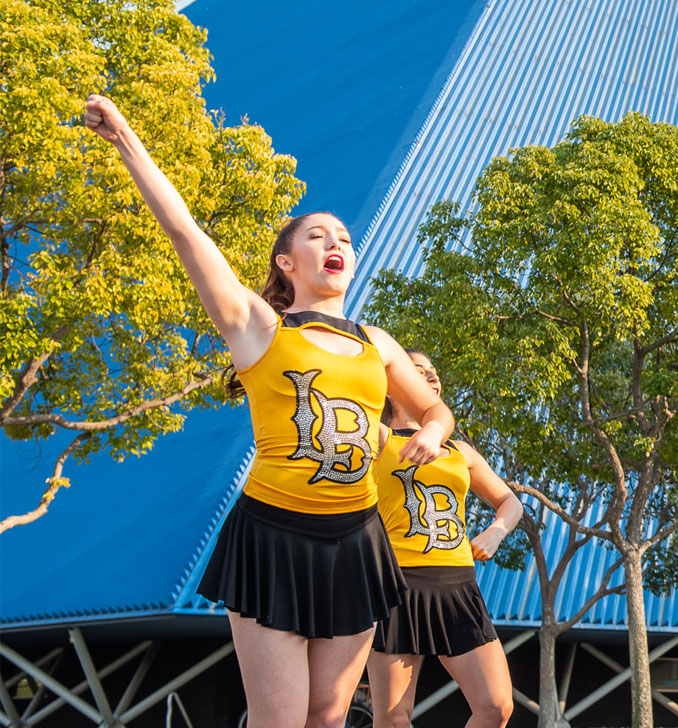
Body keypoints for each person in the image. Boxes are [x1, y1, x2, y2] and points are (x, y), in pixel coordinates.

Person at [83, 94, 455, 728]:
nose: (334, 242)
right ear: (288, 262)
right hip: (274, 535)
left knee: (329, 717)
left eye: (343, 237)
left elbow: (435, 411)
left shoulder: (378, 343)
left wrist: (432, 433)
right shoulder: (258, 327)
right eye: (316, 235)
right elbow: (184, 232)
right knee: (279, 719)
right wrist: (124, 139)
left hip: (358, 541)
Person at [366, 351, 521, 728]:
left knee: (496, 707)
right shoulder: (376, 437)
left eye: (433, 373)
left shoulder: (459, 452)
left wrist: (496, 532)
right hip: (396, 585)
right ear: (393, 384)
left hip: (457, 585)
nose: (431, 378)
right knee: (394, 719)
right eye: (418, 372)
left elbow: (509, 502)